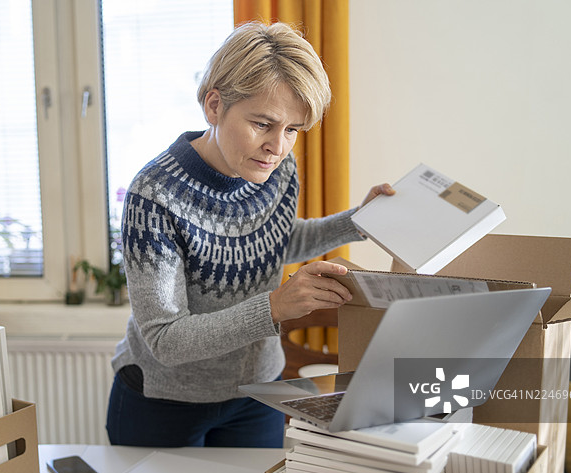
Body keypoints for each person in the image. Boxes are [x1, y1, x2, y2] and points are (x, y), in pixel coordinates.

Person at [105, 21, 395, 448]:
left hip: (259, 392)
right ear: (214, 105)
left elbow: (274, 240)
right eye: (263, 124)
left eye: (292, 130)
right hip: (165, 400)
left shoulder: (277, 170)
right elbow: (165, 338)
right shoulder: (155, 197)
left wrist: (357, 221)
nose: (278, 147)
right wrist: (275, 307)